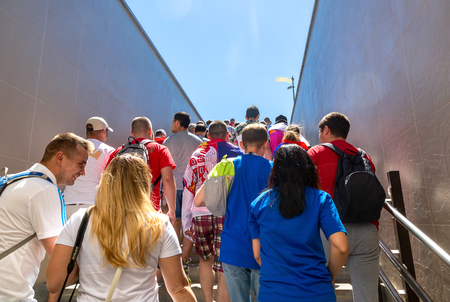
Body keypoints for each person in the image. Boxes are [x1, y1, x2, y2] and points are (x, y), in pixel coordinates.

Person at [46, 155, 196, 301]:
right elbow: (179, 288)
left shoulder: (81, 219)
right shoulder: (159, 225)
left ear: (105, 183)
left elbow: (54, 283)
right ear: (144, 186)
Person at [249, 144, 349, 302]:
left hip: (274, 293)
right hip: (317, 291)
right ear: (307, 169)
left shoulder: (258, 204)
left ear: (275, 171)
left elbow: (257, 254)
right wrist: (330, 274)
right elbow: (341, 246)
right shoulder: (321, 199)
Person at [0, 133, 93, 301]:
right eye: (81, 164)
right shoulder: (45, 190)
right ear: (60, 158)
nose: (83, 172)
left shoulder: (10, 180)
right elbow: (63, 266)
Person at [195, 123, 272, 302]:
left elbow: (199, 200)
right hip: (265, 247)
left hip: (233, 247)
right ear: (266, 144)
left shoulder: (227, 165)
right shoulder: (274, 168)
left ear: (242, 145)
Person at [308, 112, 379, 302]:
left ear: (326, 130)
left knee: (317, 291)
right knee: (367, 296)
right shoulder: (364, 156)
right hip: (367, 230)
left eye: (320, 131)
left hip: (328, 231)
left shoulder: (315, 153)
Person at [183, 120, 242, 302]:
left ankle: (208, 300)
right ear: (227, 135)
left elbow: (188, 188)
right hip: (227, 213)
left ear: (208, 135)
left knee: (205, 259)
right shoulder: (238, 153)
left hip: (201, 212)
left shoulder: (197, 154)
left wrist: (186, 221)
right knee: (225, 261)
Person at [107, 117, 176, 223]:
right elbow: (168, 180)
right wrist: (171, 210)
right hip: (150, 211)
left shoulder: (118, 151)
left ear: (132, 132)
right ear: (150, 131)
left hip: (122, 212)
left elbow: (106, 180)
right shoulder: (160, 149)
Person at [163, 112, 203, 253]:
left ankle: (174, 256)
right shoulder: (198, 142)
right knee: (189, 225)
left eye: (173, 121)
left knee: (175, 221)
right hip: (191, 188)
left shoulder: (168, 141)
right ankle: (184, 261)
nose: (172, 124)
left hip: (173, 186)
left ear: (178, 123)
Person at [65, 117, 115, 219]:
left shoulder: (73, 148)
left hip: (68, 202)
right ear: (103, 132)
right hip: (93, 204)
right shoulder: (109, 151)